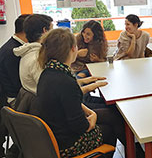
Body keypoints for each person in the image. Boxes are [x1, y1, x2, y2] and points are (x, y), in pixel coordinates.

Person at [36, 28, 122, 158]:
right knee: (110, 129)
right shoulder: (66, 81)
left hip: (53, 135)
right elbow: (81, 127)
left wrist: (91, 113)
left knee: (112, 115)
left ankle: (138, 153)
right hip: (67, 144)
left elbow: (66, 102)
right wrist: (92, 119)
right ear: (72, 49)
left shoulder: (48, 73)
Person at [0, 14, 30, 157]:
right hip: (11, 102)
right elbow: (18, 85)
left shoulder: (14, 46)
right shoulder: (12, 52)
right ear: (27, 31)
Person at [13, 14, 53, 95]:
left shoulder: (28, 52)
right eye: (52, 30)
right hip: (42, 104)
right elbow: (49, 90)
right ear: (45, 30)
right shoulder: (36, 58)